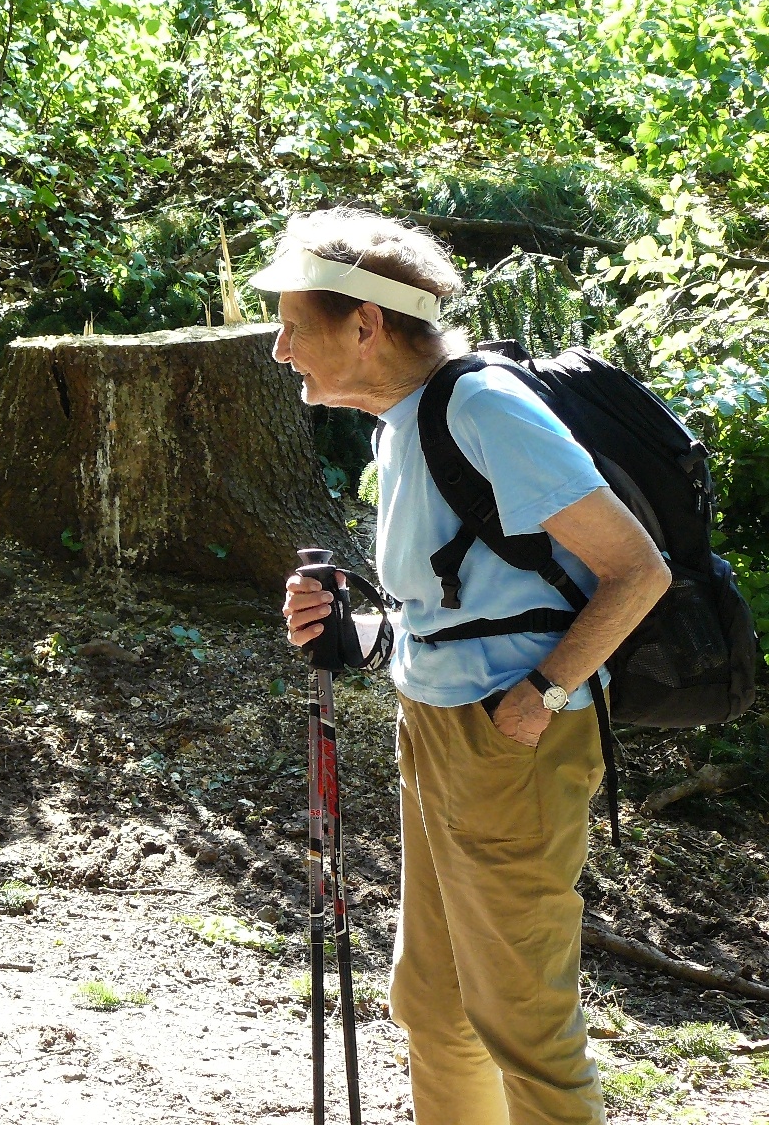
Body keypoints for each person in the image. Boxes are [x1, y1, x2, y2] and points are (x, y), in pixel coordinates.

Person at [260, 210, 670, 1125]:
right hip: (437, 729)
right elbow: (462, 604)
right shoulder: (401, 422)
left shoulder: (482, 407)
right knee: (434, 1005)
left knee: (521, 1022)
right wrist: (356, 634)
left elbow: (638, 571)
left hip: (512, 744)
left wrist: (538, 698)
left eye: (292, 325)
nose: (280, 350)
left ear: (365, 324)